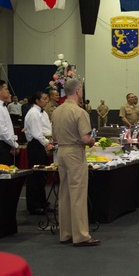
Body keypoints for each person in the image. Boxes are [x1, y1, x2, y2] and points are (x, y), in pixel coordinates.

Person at [51, 78, 99, 246]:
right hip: (75, 153)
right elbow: (86, 138)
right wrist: (93, 141)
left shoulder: (56, 111)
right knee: (77, 193)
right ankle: (81, 235)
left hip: (61, 152)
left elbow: (54, 136)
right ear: (78, 91)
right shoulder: (80, 112)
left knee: (64, 192)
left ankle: (66, 233)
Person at [24, 92, 53, 214]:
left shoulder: (43, 112)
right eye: (44, 99)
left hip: (43, 143)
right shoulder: (33, 113)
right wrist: (47, 143)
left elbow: (47, 129)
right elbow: (37, 133)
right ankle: (34, 205)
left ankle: (42, 203)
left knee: (42, 176)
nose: (47, 101)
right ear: (37, 100)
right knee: (36, 175)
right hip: (36, 145)